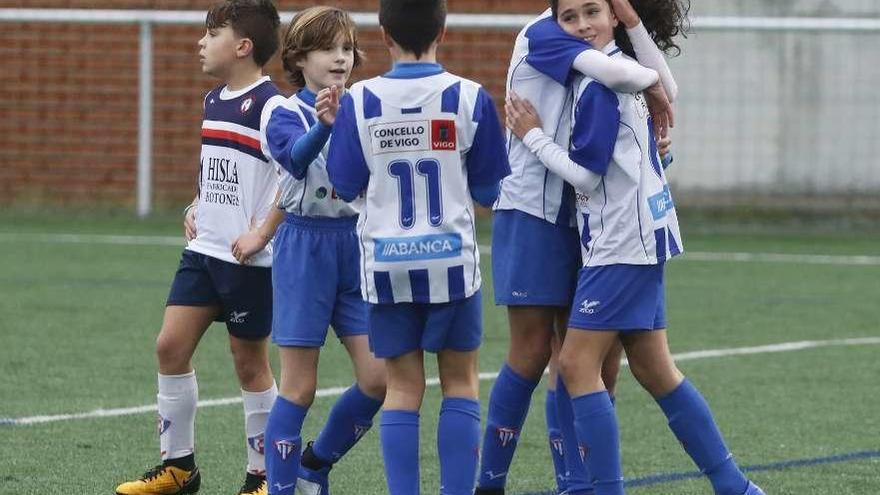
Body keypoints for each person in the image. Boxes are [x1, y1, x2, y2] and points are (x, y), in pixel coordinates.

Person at [505, 1, 765, 494]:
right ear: (555, 25)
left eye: (593, 12)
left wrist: (533, 136)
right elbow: (663, 88)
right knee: (654, 367)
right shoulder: (620, 73)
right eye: (571, 17)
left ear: (611, 16)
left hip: (622, 241)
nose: (582, 25)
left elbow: (586, 173)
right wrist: (629, 21)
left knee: (578, 365)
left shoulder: (602, 85)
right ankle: (736, 487)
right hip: (647, 233)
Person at [478, 0, 680, 493]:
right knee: (531, 352)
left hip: (585, 211)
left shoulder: (599, 26)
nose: (584, 20)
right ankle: (488, 482)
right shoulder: (546, 32)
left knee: (586, 359)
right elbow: (627, 78)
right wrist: (651, 87)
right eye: (576, 13)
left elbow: (641, 96)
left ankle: (575, 483)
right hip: (533, 207)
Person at [325, 1, 511, 493]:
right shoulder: (469, 98)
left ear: (383, 34)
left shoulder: (359, 100)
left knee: (403, 387)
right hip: (451, 262)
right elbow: (491, 191)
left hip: (386, 265)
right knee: (461, 383)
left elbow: (343, 184)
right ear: (444, 30)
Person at [115, 1, 283, 494]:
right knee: (169, 345)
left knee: (249, 362)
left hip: (248, 260)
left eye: (211, 34)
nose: (200, 43)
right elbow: (219, 166)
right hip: (204, 252)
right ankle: (179, 469)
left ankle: (263, 476)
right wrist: (197, 202)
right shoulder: (214, 100)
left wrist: (262, 233)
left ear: (242, 46)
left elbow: (293, 179)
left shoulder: (272, 107)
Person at [230, 7, 386, 495]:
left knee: (378, 379)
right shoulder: (282, 110)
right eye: (327, 49)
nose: (340, 59)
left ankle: (312, 466)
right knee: (299, 387)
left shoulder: (362, 105)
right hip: (302, 248)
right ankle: (278, 489)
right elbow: (294, 160)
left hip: (353, 245)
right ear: (298, 57)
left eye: (346, 49)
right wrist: (324, 125)